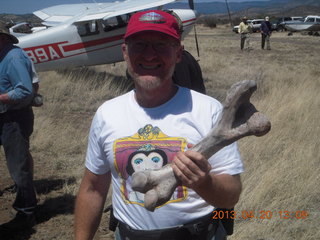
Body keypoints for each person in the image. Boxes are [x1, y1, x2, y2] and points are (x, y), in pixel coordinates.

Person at [74, 10, 243, 240]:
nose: (150, 55)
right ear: (125, 52)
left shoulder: (209, 111)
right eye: (139, 44)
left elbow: (231, 195)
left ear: (179, 53)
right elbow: (93, 188)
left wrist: (204, 182)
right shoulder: (107, 114)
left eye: (162, 44)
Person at [0, 26, 37, 230]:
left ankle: (27, 212)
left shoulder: (13, 57)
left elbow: (24, 90)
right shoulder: (2, 55)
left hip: (14, 118)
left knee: (18, 167)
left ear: (2, 38)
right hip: (4, 114)